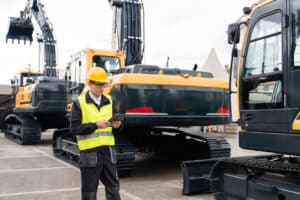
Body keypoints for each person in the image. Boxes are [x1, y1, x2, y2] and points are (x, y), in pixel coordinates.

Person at [70, 67, 122, 200]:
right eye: (98, 84)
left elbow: (116, 131)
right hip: (89, 153)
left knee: (113, 188)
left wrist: (117, 126)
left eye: (103, 84)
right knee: (89, 191)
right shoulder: (79, 103)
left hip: (108, 152)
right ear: (90, 83)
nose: (101, 88)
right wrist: (95, 125)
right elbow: (74, 129)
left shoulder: (109, 101)